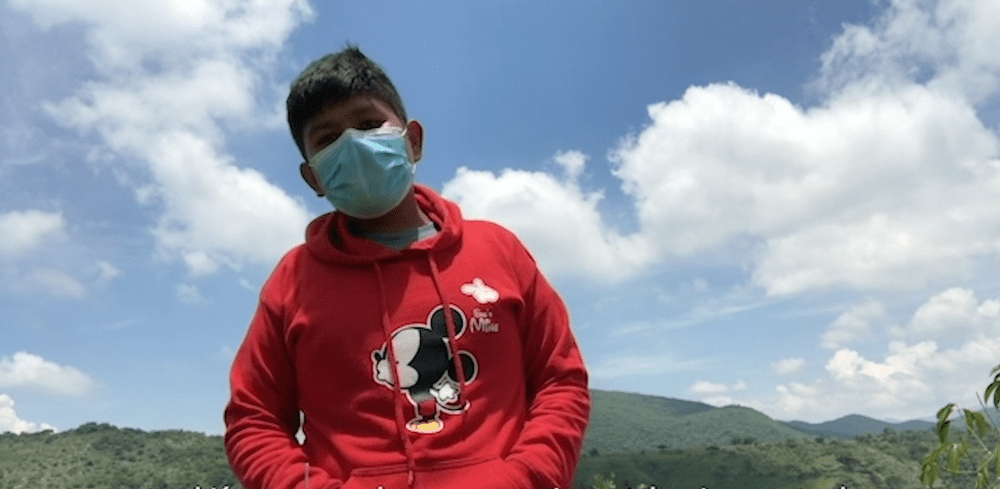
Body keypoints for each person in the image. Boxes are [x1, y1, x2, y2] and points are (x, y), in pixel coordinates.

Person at [223, 46, 590, 489]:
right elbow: (253, 418)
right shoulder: (291, 282)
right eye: (327, 139)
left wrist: (525, 478)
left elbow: (560, 379)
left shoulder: (499, 250)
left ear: (412, 140)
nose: (352, 145)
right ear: (313, 178)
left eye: (368, 123)